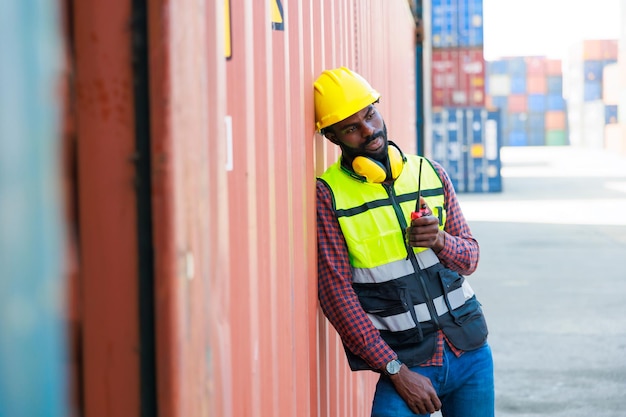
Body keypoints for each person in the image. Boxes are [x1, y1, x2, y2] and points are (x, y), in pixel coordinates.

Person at [314, 66, 494, 417]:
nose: (370, 130)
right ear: (333, 137)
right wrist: (395, 370)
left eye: (370, 115)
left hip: (470, 352)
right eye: (352, 127)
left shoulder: (430, 172)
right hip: (406, 362)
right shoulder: (329, 195)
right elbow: (337, 296)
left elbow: (470, 258)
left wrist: (441, 241)